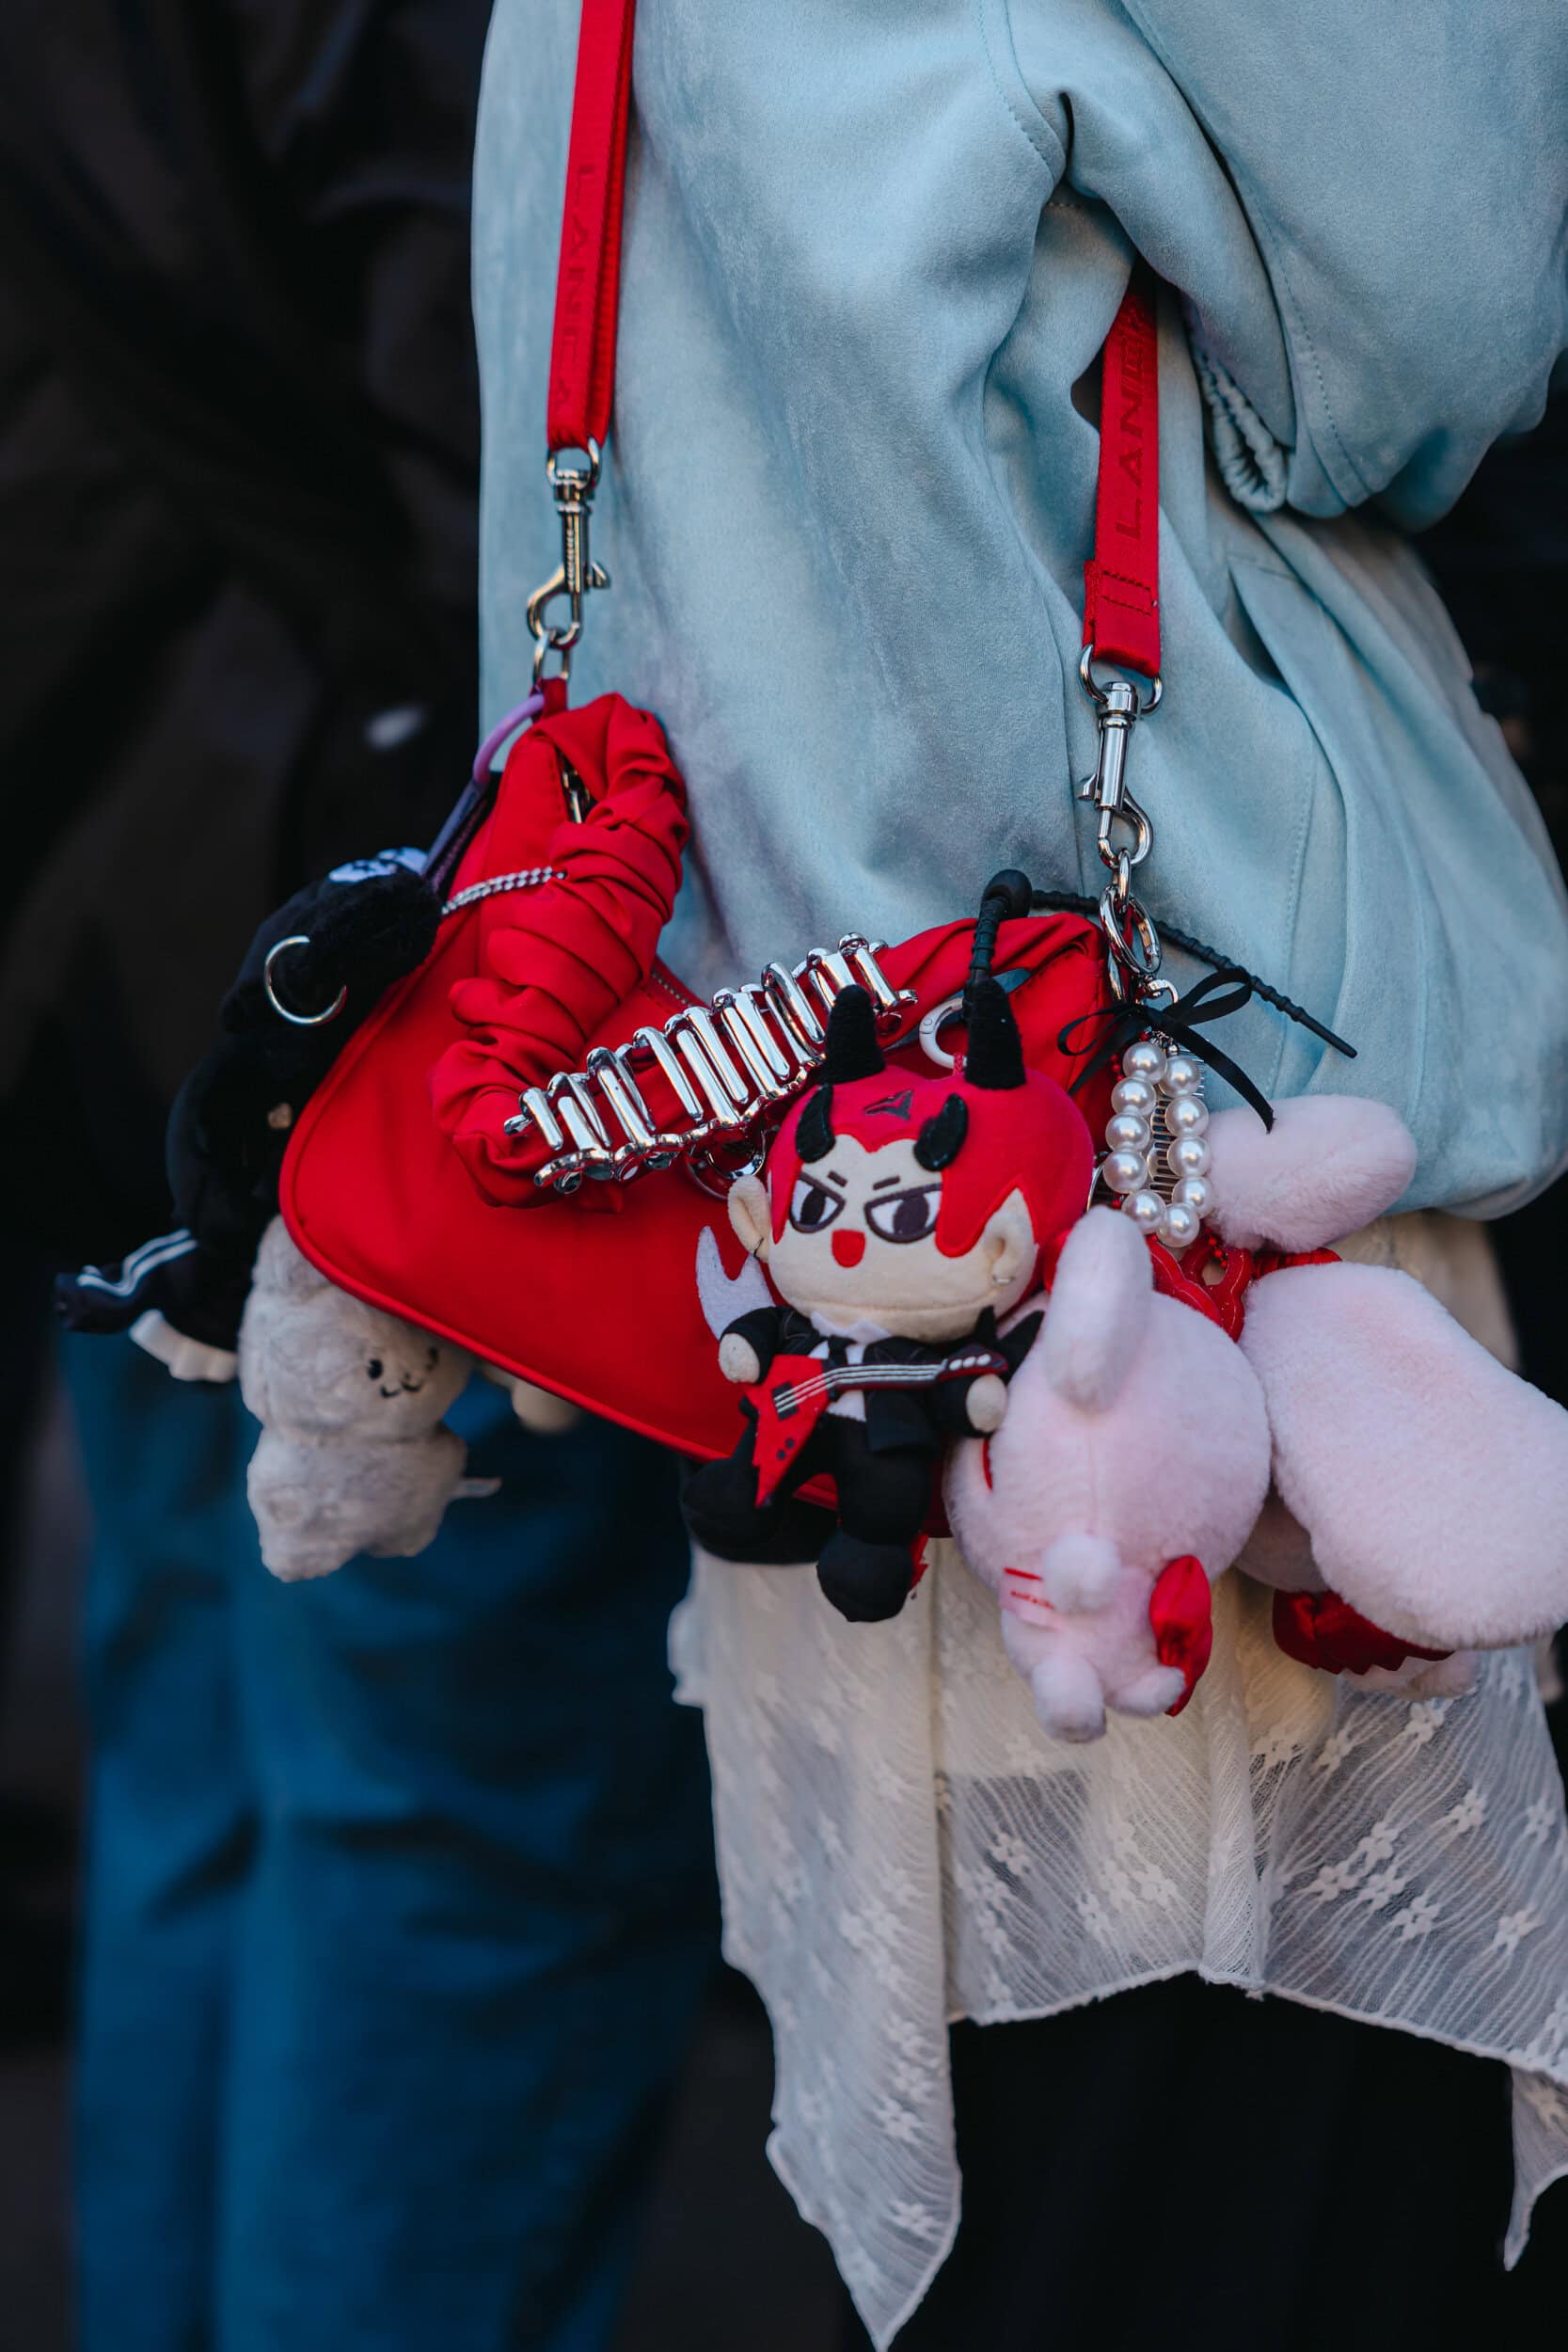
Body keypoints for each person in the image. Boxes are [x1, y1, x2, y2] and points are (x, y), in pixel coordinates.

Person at [472, 4, 1568, 2344]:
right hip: (1209, 1138)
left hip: (787, 1162)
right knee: (1260, 2200)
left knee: (1043, 2200)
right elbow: (1439, 321)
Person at [0, 7, 717, 2347]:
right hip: (358, 976)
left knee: (222, 1765)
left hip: (117, 903)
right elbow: (502, 451)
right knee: (441, 1818)